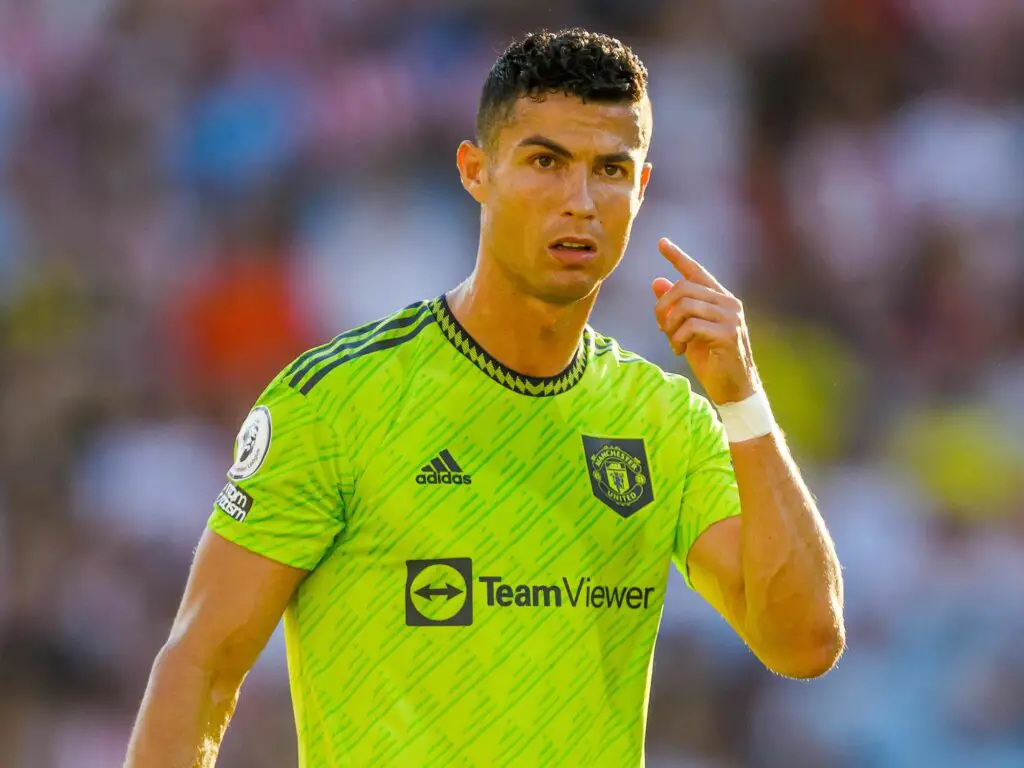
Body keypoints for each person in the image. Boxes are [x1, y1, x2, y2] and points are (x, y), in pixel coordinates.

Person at [125, 28, 844, 768]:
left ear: (641, 189)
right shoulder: (337, 402)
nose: (579, 202)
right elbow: (202, 666)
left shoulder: (665, 419)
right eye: (545, 162)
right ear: (476, 171)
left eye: (609, 170)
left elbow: (805, 643)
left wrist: (742, 401)